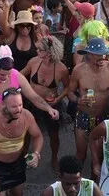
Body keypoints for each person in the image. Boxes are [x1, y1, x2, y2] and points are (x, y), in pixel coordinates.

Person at [0, 87, 42, 196]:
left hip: (17, 163)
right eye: (14, 106)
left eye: (20, 105)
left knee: (18, 193)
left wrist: (36, 154)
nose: (19, 109)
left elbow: (38, 136)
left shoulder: (26, 115)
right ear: (3, 105)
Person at [20, 36, 69, 173]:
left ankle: (54, 158)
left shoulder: (61, 69)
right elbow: (19, 75)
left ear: (49, 52)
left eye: (40, 50)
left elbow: (67, 88)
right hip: (30, 103)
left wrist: (58, 98)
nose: (37, 52)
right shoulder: (34, 62)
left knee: (53, 134)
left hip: (50, 106)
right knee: (27, 133)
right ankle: (23, 157)